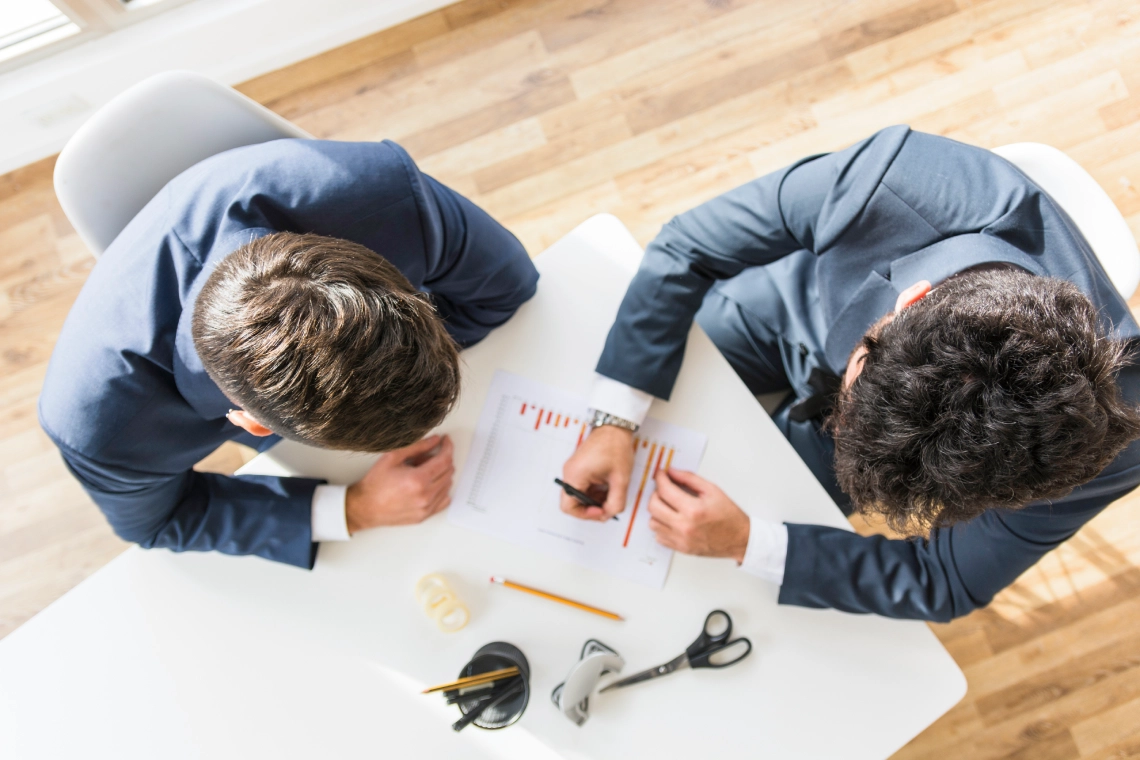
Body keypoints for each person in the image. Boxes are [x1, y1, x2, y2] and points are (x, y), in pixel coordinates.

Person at [560, 125, 1140, 621]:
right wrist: (615, 416)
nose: (840, 424)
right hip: (787, 310)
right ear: (907, 303)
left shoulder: (1112, 443)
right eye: (854, 397)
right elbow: (687, 248)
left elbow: (946, 581)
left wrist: (747, 541)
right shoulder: (892, 182)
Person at [39, 138, 538, 569]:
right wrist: (354, 508)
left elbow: (506, 287)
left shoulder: (382, 192)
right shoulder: (98, 432)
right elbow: (161, 521)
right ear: (251, 423)